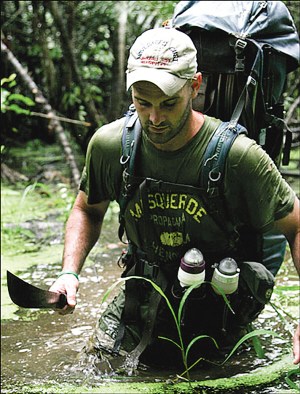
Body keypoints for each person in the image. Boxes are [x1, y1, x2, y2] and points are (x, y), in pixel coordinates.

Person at [50, 27, 300, 371]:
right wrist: (69, 273)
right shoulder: (110, 146)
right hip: (139, 297)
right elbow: (87, 209)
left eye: (169, 104)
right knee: (95, 372)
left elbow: (296, 227)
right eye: (142, 103)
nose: (154, 118)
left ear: (194, 86)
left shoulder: (237, 157)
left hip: (218, 304)